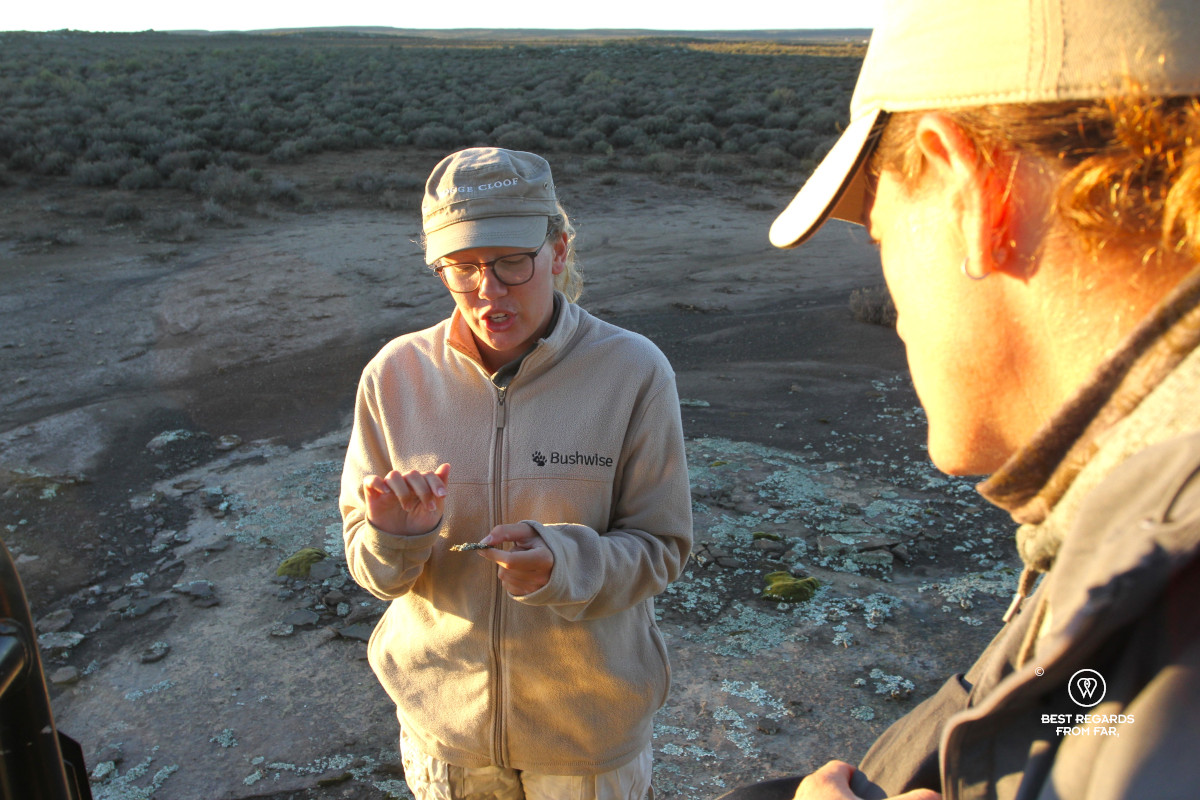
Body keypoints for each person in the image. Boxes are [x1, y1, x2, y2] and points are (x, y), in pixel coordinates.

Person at [738, 0, 1200, 798]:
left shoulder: (1166, 581)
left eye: (879, 232)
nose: (894, 309)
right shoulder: (1141, 551)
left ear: (976, 193)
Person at [338, 147, 692, 800]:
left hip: (586, 745)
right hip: (446, 740)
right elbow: (374, 571)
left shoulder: (633, 371)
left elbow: (662, 548)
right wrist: (395, 537)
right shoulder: (394, 376)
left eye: (511, 262)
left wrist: (564, 564)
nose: (488, 290)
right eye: (463, 267)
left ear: (558, 251)